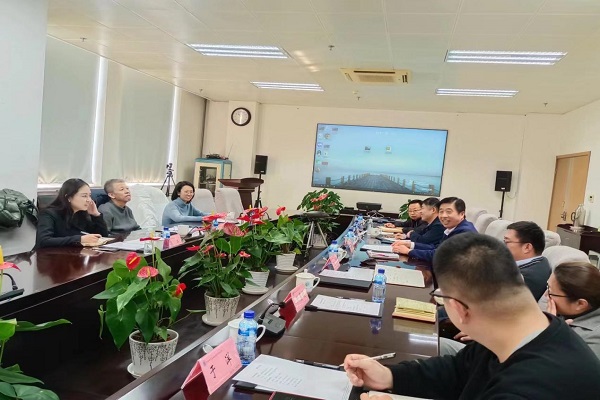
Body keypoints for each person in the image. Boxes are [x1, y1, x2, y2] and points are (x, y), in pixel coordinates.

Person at [344, 233, 600, 400]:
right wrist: (390, 376)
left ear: (459, 308)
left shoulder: (533, 387)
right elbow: (458, 371)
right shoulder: (524, 332)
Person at [391, 197, 476, 262]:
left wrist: (409, 251)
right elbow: (436, 247)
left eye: (448, 212)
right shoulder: (452, 228)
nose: (443, 216)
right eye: (441, 212)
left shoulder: (464, 233)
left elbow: (439, 255)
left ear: (461, 214)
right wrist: (410, 244)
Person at [546, 262, 600, 358]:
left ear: (580, 304)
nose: (546, 295)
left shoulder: (593, 340)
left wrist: (550, 333)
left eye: (550, 292)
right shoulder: (564, 310)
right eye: (548, 287)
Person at [36, 178, 108, 248]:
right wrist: (80, 239)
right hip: (50, 255)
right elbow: (43, 241)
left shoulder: (80, 214)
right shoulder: (48, 214)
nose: (89, 200)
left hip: (74, 254)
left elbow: (102, 236)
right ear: (69, 197)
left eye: (89, 195)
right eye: (84, 196)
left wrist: (96, 215)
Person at [503, 221, 550, 301]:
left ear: (527, 247)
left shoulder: (524, 278)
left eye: (507, 242)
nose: (502, 245)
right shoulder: (541, 261)